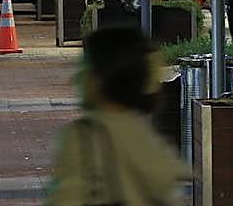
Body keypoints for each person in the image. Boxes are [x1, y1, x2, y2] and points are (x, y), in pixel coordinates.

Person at [47, 26, 185, 205]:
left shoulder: (84, 136)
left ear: (101, 80)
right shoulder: (145, 137)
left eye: (85, 67)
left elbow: (68, 197)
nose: (75, 79)